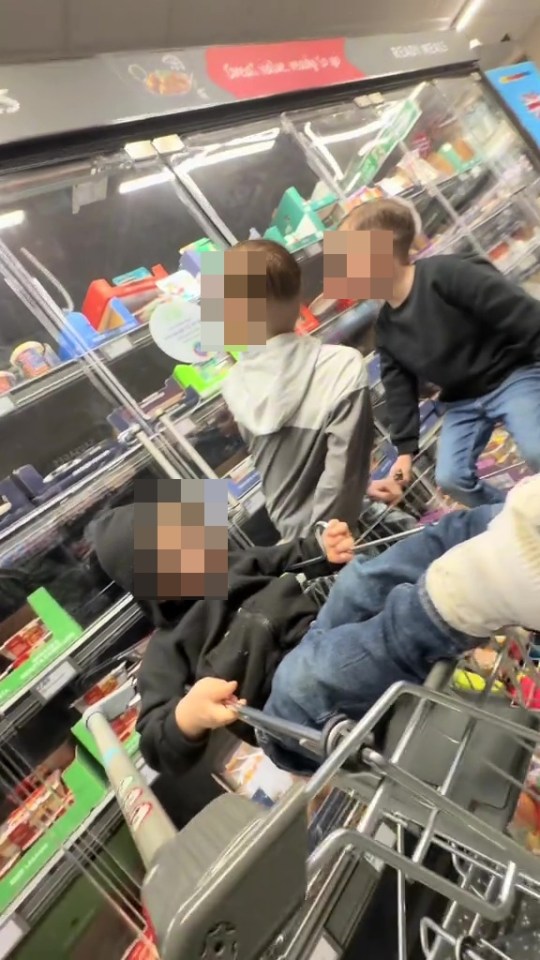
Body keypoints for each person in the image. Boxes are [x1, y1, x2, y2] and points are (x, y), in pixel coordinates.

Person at [90, 476, 540, 777]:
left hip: (323, 633)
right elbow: (154, 742)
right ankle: (481, 586)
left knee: (363, 577)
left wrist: (321, 546)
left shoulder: (227, 565)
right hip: (290, 717)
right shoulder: (166, 651)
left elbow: (283, 556)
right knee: (307, 673)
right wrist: (187, 715)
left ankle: (501, 523)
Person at [338, 199, 540, 507]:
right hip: (463, 401)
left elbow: (518, 313)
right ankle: (517, 516)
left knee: (536, 449)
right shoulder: (387, 328)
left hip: (510, 375)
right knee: (452, 478)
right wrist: (403, 455)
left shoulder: (447, 274)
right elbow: (399, 392)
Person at [220, 238, 401, 540]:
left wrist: (313, 545)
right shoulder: (341, 365)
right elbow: (343, 472)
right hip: (343, 538)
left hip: (299, 544)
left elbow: (292, 474)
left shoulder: (233, 384)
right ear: (299, 295)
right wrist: (347, 509)